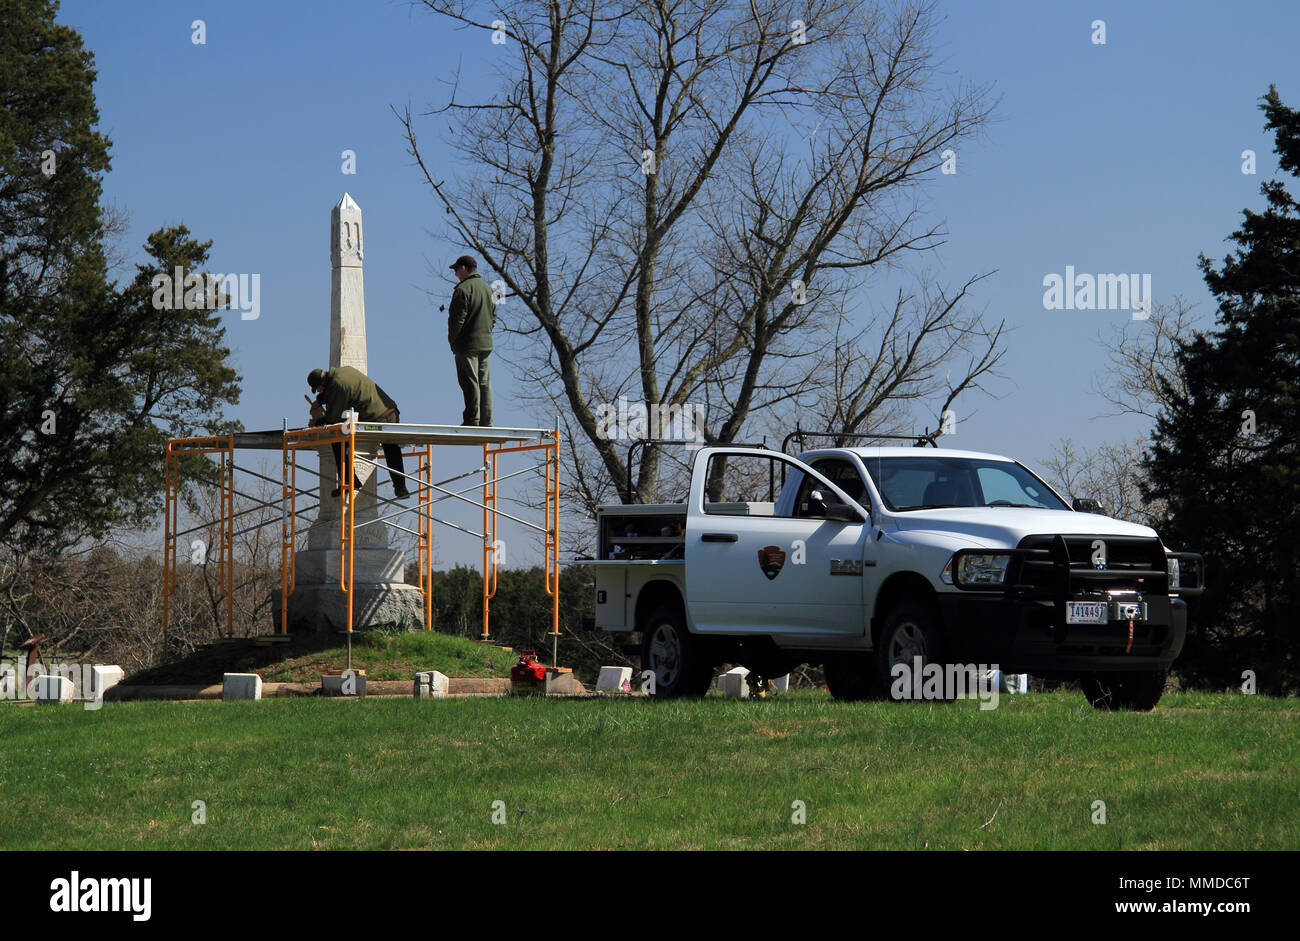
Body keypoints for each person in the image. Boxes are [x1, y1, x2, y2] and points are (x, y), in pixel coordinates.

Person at [307, 366, 410, 499]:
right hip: (389, 411)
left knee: (338, 439)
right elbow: (348, 392)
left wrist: (316, 422)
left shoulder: (339, 385)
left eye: (319, 389)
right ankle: (400, 488)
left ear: (322, 384)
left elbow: (335, 418)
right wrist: (324, 397)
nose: (319, 391)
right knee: (391, 449)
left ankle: (350, 481)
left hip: (380, 417)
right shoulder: (343, 372)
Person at [447, 254, 496, 426]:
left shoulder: (463, 289)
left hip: (467, 345)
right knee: (485, 383)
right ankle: (487, 421)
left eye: (455, 270)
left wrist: (453, 342)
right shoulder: (489, 289)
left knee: (470, 382)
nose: (455, 274)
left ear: (463, 268)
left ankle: (472, 419)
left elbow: (456, 320)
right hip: (486, 344)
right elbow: (494, 316)